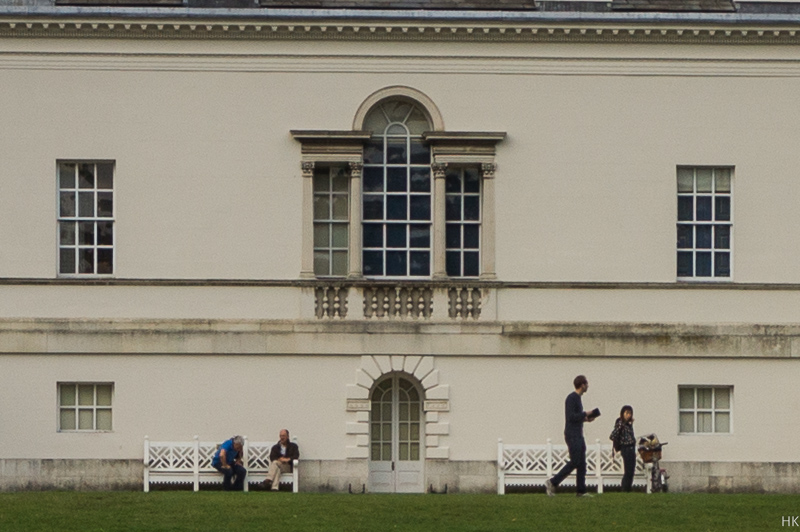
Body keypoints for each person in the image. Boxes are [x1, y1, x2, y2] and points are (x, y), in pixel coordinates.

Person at [545, 375, 598, 498]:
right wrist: (586, 413)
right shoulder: (571, 398)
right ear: (582, 385)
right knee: (575, 461)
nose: (588, 386)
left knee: (582, 463)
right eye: (586, 383)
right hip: (572, 434)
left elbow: (576, 418)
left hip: (578, 434)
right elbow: (571, 416)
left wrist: (586, 419)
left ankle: (581, 491)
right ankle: (552, 482)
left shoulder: (578, 398)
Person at [610, 405, 636, 492]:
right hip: (626, 448)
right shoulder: (620, 423)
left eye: (630, 413)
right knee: (628, 470)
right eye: (627, 413)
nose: (628, 415)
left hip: (631, 448)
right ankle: (625, 488)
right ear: (623, 413)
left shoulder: (629, 424)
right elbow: (613, 435)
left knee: (631, 470)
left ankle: (628, 487)